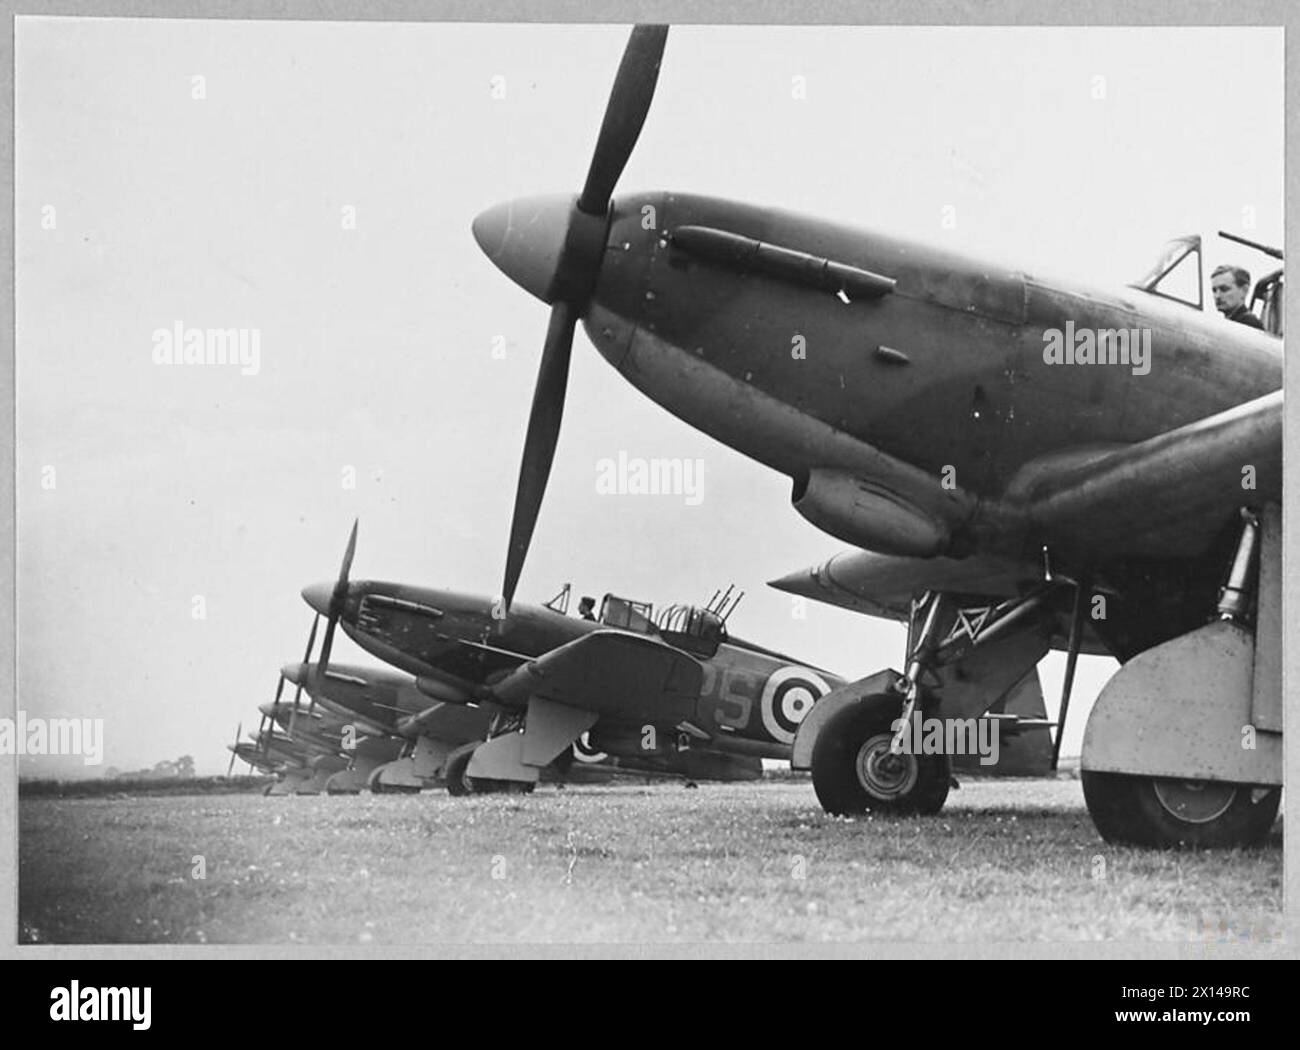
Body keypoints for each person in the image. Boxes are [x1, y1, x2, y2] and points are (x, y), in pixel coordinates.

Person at [1210, 264, 1264, 329]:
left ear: (1244, 291)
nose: (1217, 296)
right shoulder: (1232, 323)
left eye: (1224, 289)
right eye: (1214, 290)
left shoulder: (1248, 324)